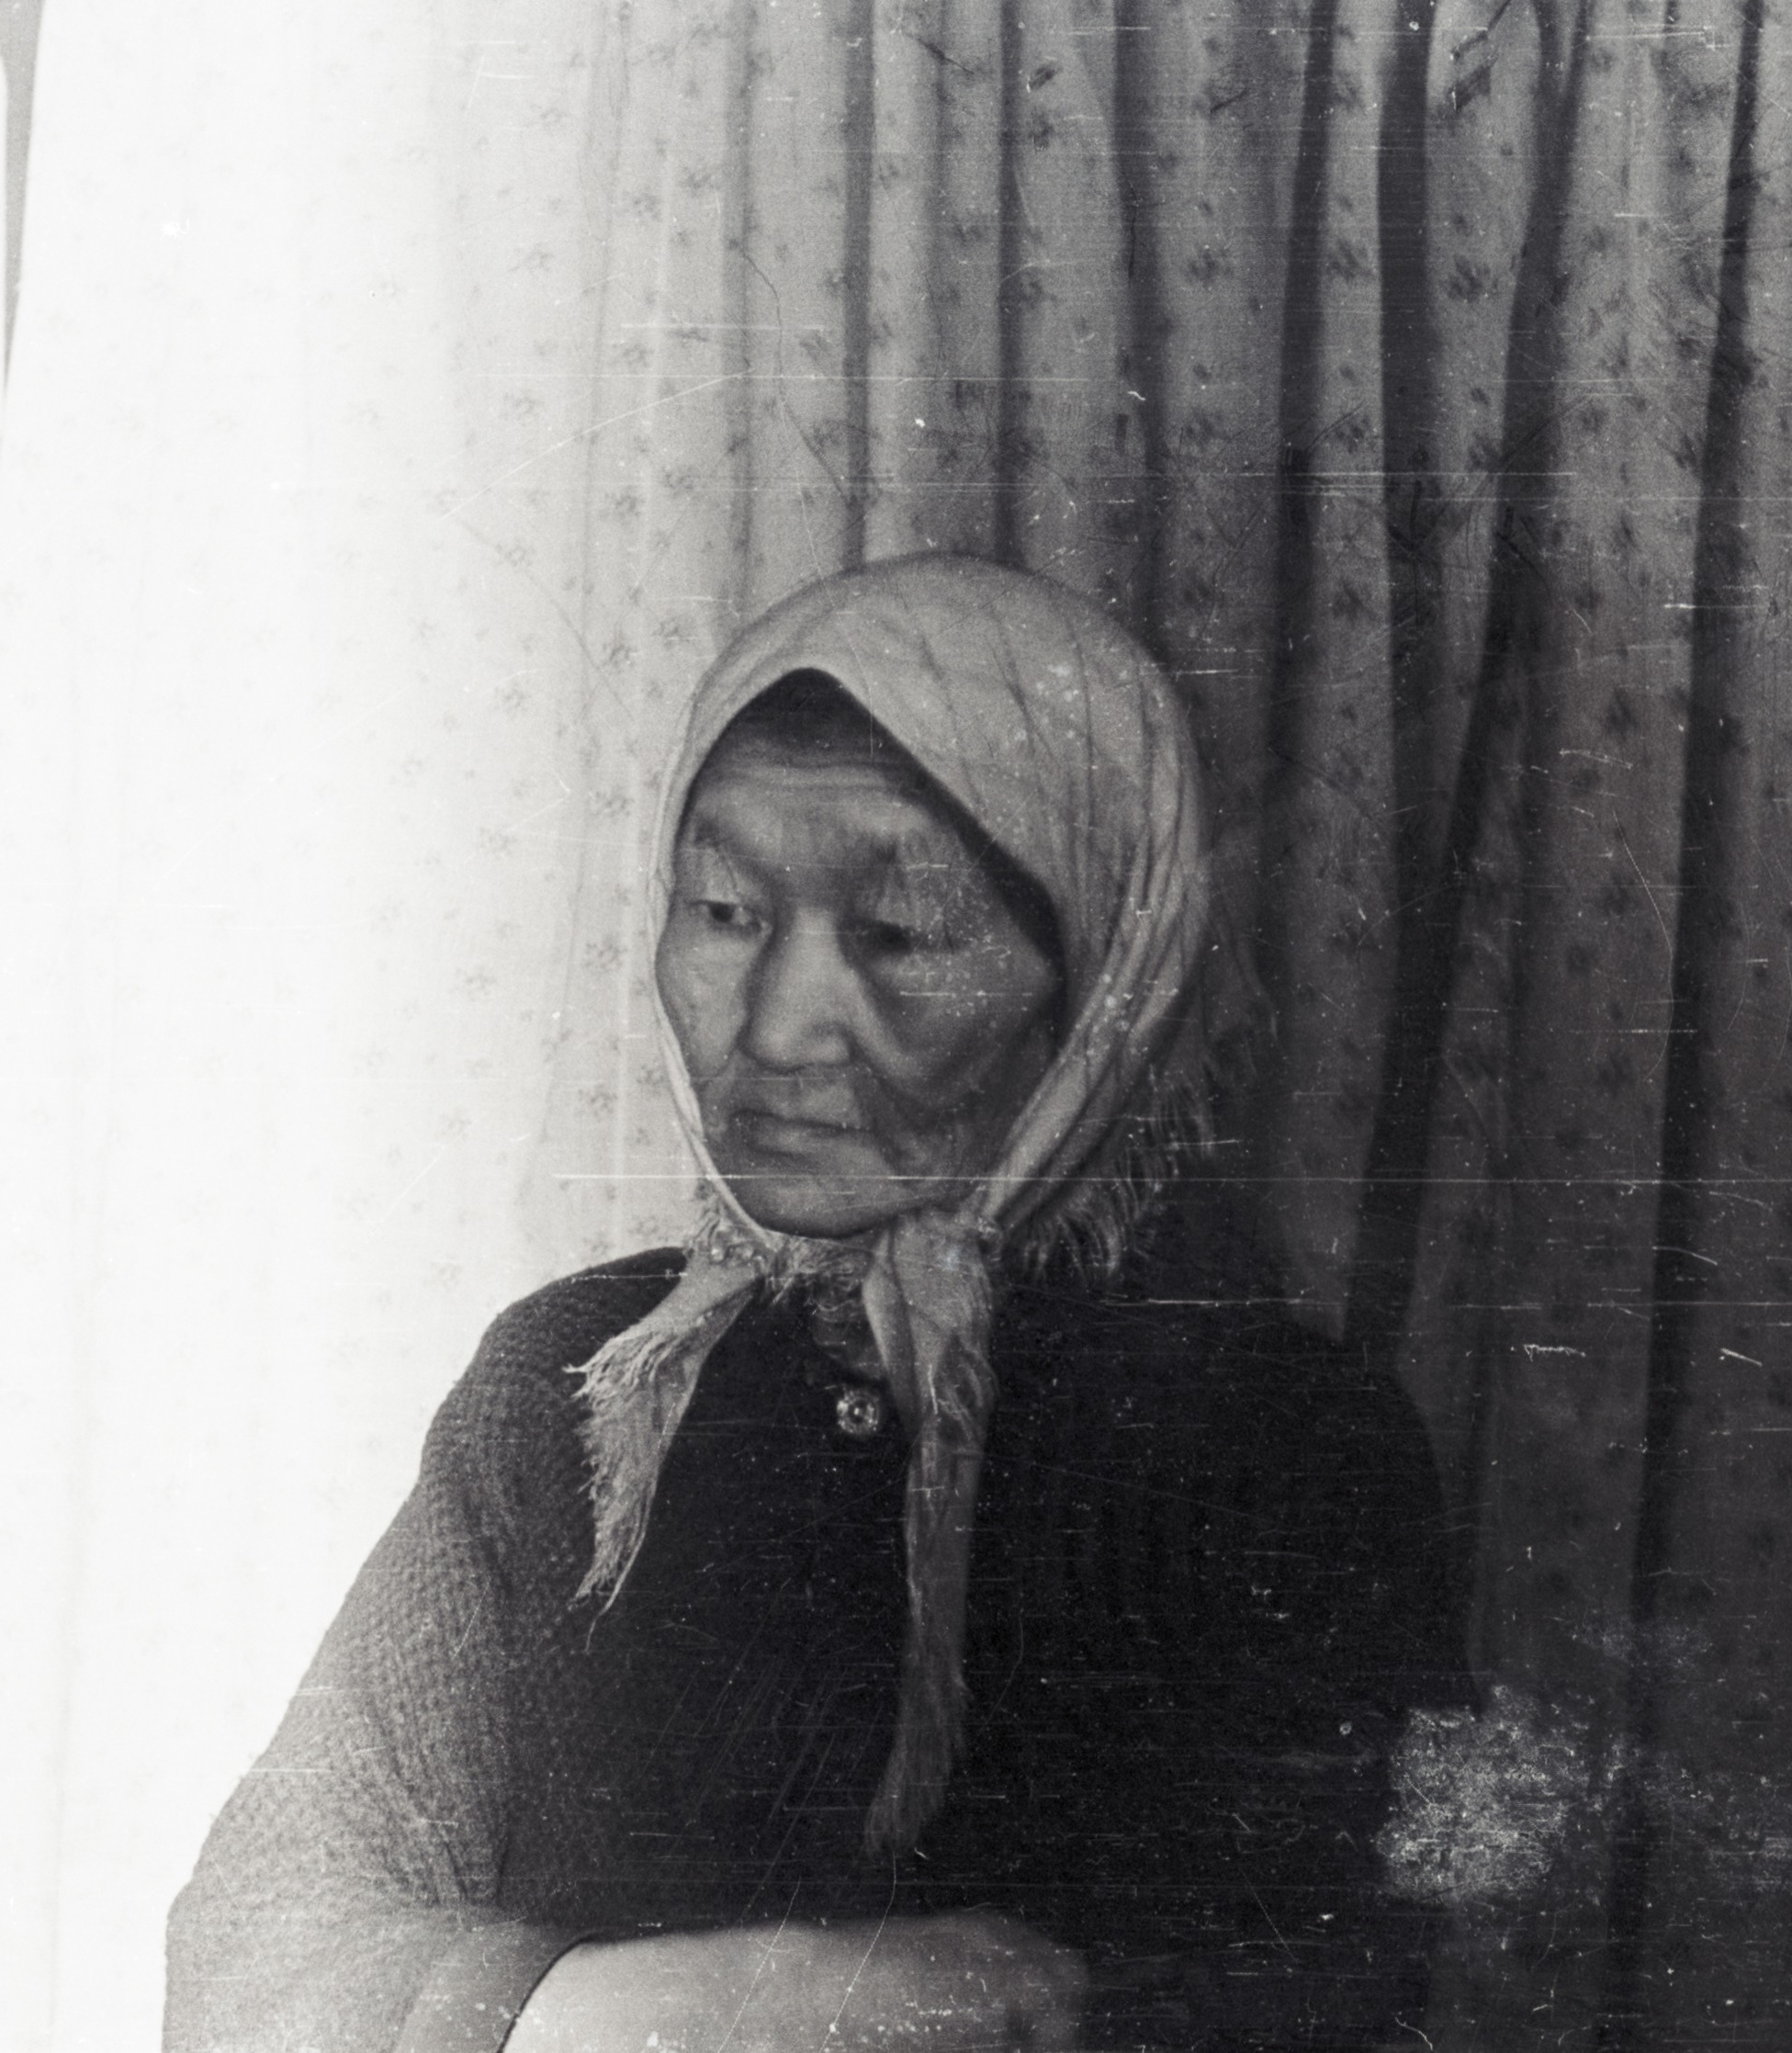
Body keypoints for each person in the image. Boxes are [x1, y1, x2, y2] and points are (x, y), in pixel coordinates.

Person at [163, 557, 1469, 2053]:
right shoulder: (570, 1380)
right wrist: (747, 1999)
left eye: (900, 934)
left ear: (1103, 971)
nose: (779, 1030)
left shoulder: (1278, 1438)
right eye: (723, 910)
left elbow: (1330, 1990)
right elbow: (256, 1951)